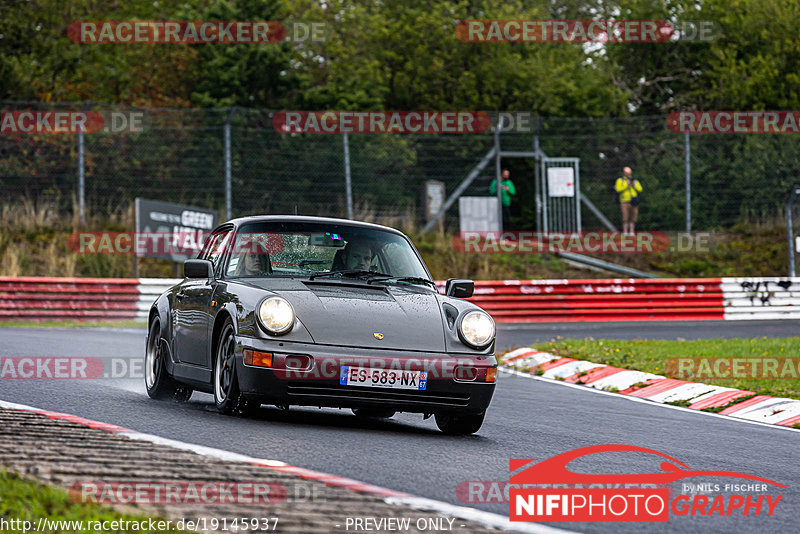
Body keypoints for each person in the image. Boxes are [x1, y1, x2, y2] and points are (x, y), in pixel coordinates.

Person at [615, 166, 643, 235]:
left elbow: (640, 189)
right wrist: (626, 185)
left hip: (633, 201)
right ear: (624, 173)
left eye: (629, 172)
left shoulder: (635, 181)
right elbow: (618, 189)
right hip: (624, 201)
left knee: (633, 217)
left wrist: (634, 185)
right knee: (625, 217)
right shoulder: (620, 180)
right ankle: (625, 231)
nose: (628, 174)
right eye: (626, 172)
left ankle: (631, 231)